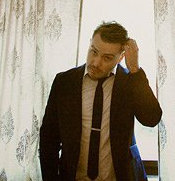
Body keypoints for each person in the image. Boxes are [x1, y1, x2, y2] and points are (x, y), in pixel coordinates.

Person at [40, 21, 162, 181]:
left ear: (121, 57)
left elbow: (151, 119)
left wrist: (134, 70)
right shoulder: (65, 82)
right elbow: (49, 137)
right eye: (94, 51)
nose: (96, 62)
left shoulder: (130, 82)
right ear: (90, 43)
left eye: (107, 58)